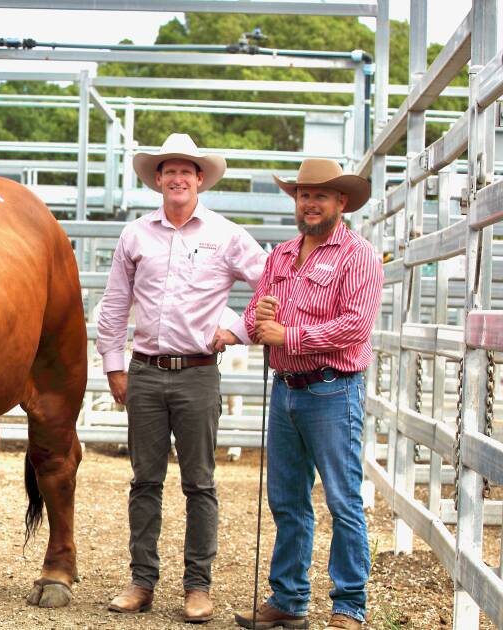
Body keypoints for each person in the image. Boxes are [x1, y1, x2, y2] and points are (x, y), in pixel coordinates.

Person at [97, 133, 266, 623]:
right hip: (146, 371)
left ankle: (198, 586)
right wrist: (113, 363)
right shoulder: (135, 235)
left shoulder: (225, 235)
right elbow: (115, 303)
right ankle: (142, 580)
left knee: (199, 483)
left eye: (187, 171)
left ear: (199, 180)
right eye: (169, 170)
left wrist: (235, 328)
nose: (177, 178)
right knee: (144, 481)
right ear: (157, 179)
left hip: (196, 373)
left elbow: (271, 282)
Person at [235, 158, 383, 630]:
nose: (310, 203)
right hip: (287, 391)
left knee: (342, 500)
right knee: (286, 500)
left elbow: (355, 325)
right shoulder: (280, 255)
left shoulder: (358, 255)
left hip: (331, 390)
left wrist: (288, 335)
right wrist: (257, 322)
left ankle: (349, 606)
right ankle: (289, 599)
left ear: (341, 201)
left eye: (320, 195)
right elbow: (256, 314)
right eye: (303, 194)